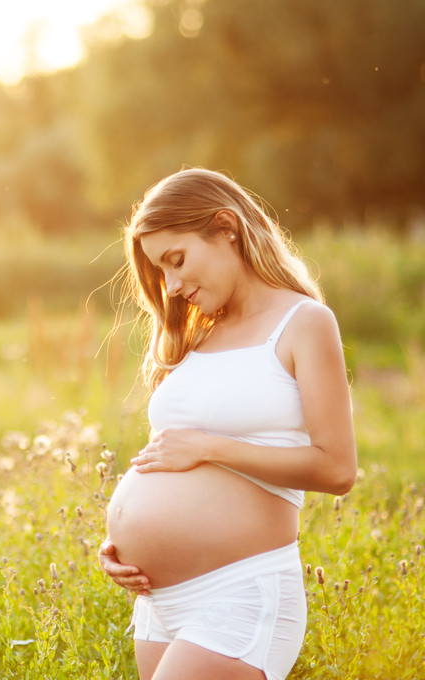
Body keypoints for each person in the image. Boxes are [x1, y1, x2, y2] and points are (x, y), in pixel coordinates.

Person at [98, 168, 357, 680]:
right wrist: (120, 545)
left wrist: (209, 448)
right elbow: (170, 454)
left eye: (177, 261)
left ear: (226, 228)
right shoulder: (197, 338)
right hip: (159, 604)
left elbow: (337, 469)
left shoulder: (304, 323)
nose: (171, 286)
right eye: (160, 272)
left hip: (239, 593)